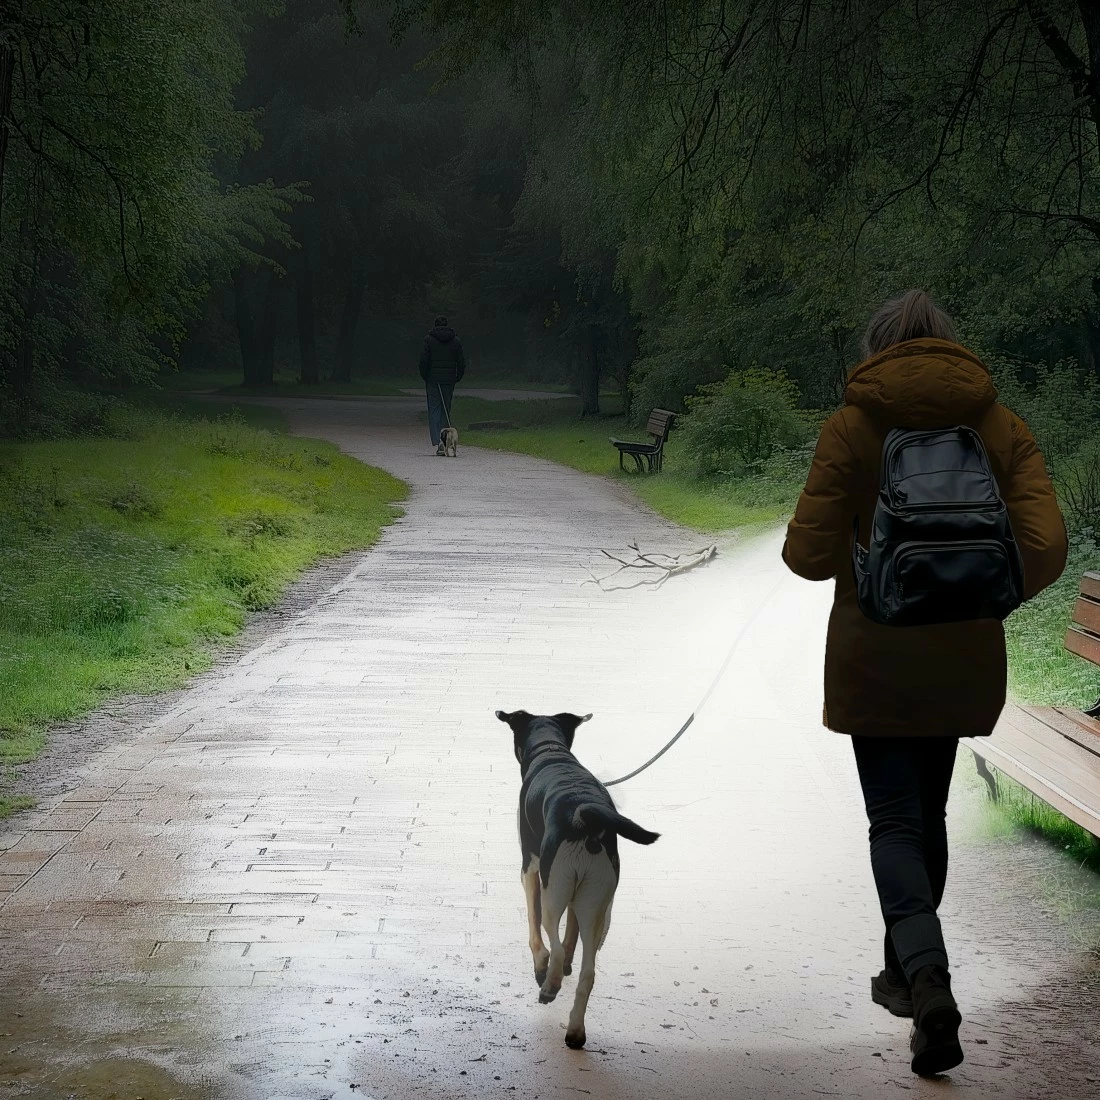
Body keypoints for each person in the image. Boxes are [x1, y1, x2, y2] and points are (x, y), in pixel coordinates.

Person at [781, 290, 1067, 1076]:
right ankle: (907, 975)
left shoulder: (852, 424)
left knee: (892, 824)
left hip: (876, 654)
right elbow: (1045, 543)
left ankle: (926, 972)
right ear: (948, 346)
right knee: (926, 814)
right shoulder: (999, 424)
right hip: (964, 652)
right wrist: (982, 592)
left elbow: (806, 557)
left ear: (879, 349)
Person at [418, 315, 467, 455]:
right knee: (446, 408)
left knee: (434, 409)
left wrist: (425, 376)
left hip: (433, 380)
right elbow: (461, 362)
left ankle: (438, 441)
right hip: (449, 380)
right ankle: (447, 440)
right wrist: (457, 377)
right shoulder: (456, 341)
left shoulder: (428, 340)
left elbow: (423, 361)